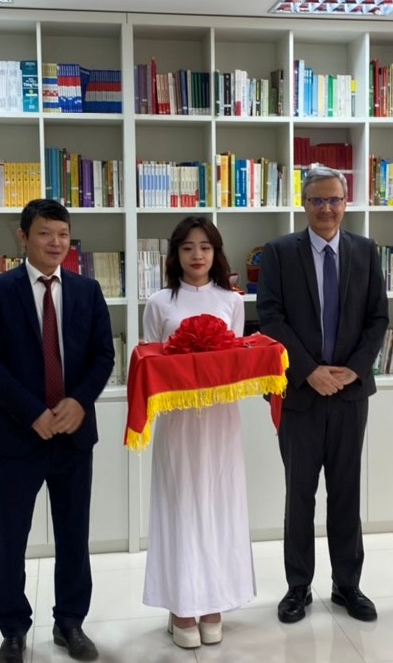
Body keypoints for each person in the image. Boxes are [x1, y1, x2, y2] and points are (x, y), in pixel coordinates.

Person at [0, 199, 114, 663]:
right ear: (23, 236)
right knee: (11, 538)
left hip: (74, 433)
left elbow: (103, 357)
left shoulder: (88, 290)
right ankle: (12, 628)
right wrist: (33, 412)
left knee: (75, 534)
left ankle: (70, 622)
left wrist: (79, 402)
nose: (56, 243)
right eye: (45, 233)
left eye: (63, 234)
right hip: (17, 436)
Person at [257, 167, 389, 623]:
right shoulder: (278, 253)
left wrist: (351, 372)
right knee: (300, 494)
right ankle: (298, 587)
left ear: (345, 202)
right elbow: (270, 318)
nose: (326, 209)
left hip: (351, 395)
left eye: (334, 200)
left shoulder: (366, 251)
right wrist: (310, 372)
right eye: (317, 201)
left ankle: (347, 586)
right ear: (304, 203)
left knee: (346, 492)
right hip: (300, 393)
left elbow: (377, 319)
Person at [141, 217, 256, 649]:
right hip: (178, 423)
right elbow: (149, 362)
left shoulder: (232, 300)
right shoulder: (159, 302)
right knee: (182, 505)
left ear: (216, 252)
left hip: (222, 421)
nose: (197, 256)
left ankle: (215, 600)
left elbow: (236, 364)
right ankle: (181, 604)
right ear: (175, 255)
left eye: (205, 247)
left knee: (219, 505)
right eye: (188, 248)